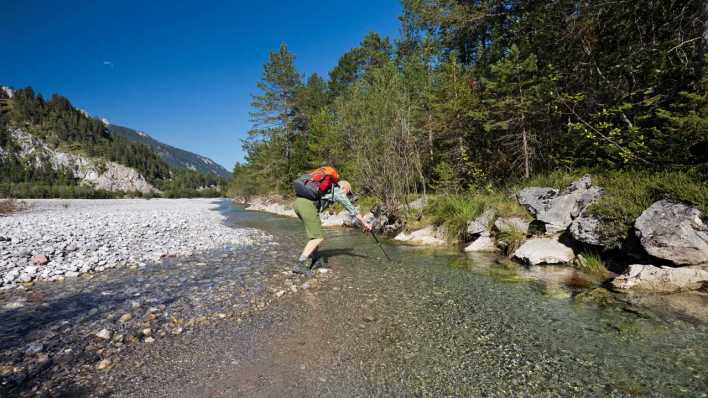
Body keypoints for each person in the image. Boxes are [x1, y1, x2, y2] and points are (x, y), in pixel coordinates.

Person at [292, 169, 372, 276]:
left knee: (316, 233)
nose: (347, 195)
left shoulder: (327, 189)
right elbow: (352, 209)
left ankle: (316, 261)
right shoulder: (338, 190)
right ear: (345, 188)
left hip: (298, 203)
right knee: (317, 237)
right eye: (348, 193)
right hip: (307, 206)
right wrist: (365, 223)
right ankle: (300, 265)